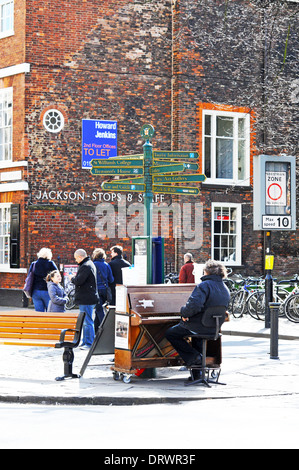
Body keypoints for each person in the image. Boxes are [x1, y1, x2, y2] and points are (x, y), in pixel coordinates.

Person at [165, 259, 230, 366]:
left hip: (198, 326)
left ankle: (194, 358)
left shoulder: (204, 285)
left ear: (206, 272)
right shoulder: (225, 287)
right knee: (197, 338)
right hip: (214, 327)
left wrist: (184, 314)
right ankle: (197, 372)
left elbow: (194, 306)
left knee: (171, 334)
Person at [69, 249, 98, 349]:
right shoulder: (89, 264)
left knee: (87, 321)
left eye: (76, 258)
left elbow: (79, 281)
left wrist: (72, 278)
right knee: (86, 320)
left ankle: (89, 343)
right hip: (88, 297)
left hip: (86, 297)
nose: (76, 260)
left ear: (80, 257)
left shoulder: (85, 266)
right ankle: (85, 341)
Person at [92, 248, 114, 330]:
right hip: (105, 289)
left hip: (96, 290)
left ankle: (104, 328)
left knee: (99, 310)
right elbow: (111, 279)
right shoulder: (106, 265)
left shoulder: (93, 265)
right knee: (99, 310)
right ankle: (96, 329)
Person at [31, 248, 58, 312]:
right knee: (50, 312)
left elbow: (30, 276)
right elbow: (57, 276)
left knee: (39, 313)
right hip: (48, 291)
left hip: (36, 291)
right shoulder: (51, 263)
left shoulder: (34, 264)